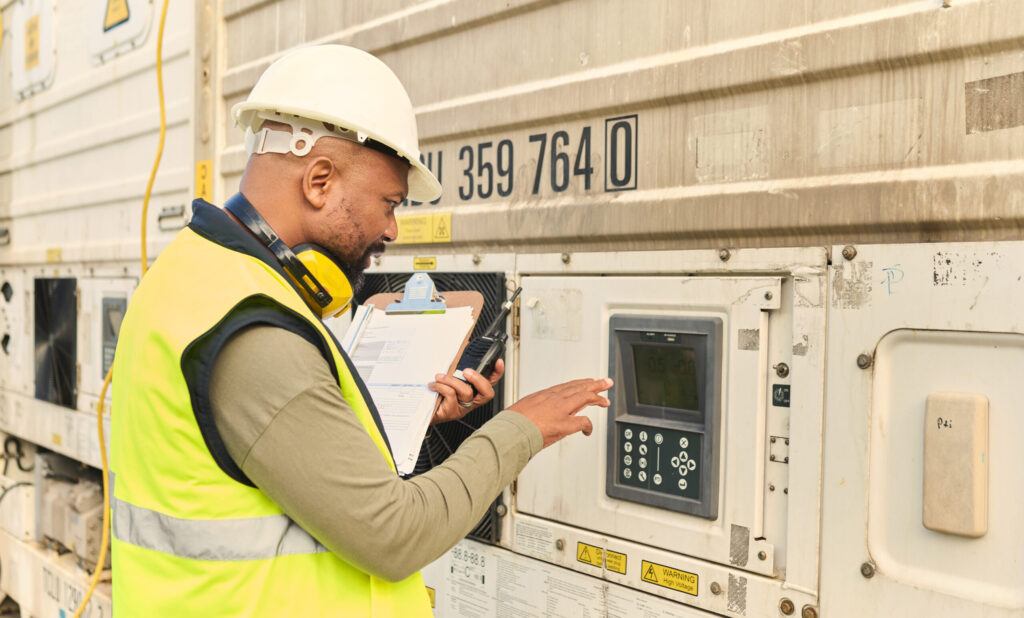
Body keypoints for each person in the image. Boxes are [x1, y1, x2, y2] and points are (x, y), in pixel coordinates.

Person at [109, 44, 611, 617]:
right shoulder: (252, 328)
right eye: (389, 202)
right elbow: (392, 535)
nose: (393, 229)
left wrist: (405, 417)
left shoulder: (196, 276)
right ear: (319, 180)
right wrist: (521, 428)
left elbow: (273, 464)